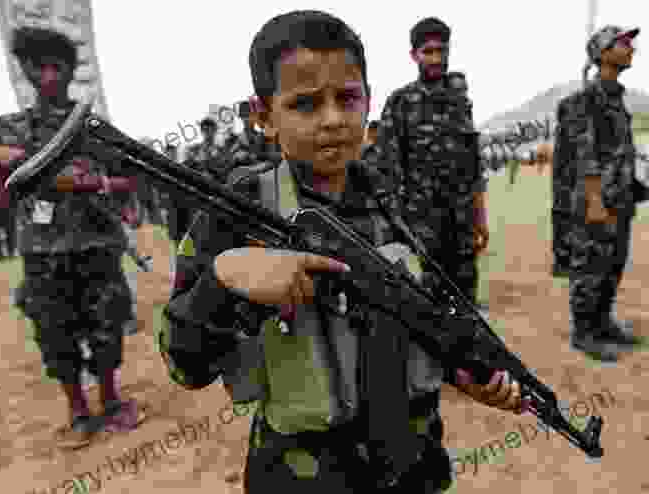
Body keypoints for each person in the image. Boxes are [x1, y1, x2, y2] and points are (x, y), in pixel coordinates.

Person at [157, 10, 528, 493]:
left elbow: (433, 313)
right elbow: (185, 367)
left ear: (368, 101)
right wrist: (224, 280)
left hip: (413, 462)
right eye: (306, 104)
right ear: (264, 115)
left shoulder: (397, 198)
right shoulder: (240, 209)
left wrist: (465, 373)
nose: (332, 119)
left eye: (347, 98)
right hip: (303, 475)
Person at [0, 26, 146, 448]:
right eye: (36, 65)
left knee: (107, 323)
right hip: (43, 252)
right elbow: (1, 193)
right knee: (54, 331)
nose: (47, 75)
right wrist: (27, 170)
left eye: (55, 65)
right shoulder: (11, 129)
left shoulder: (91, 126)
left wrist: (94, 184)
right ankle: (78, 409)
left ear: (66, 69)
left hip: (97, 243)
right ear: (24, 69)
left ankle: (112, 399)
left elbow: (125, 179)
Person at [367, 17, 488, 310]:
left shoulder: (460, 101)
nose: (436, 58)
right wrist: (395, 226)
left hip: (461, 220)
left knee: (466, 295)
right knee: (429, 300)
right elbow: (386, 170)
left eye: (441, 51)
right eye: (428, 51)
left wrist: (480, 215)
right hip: (421, 224)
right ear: (414, 56)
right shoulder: (401, 102)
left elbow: (473, 165)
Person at [566, 25, 643, 361]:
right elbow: (586, 154)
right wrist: (595, 200)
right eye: (622, 42)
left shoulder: (616, 98)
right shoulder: (589, 98)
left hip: (620, 199)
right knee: (592, 266)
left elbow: (618, 152)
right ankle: (584, 332)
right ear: (602, 52)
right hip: (597, 202)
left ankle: (602, 321)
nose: (631, 46)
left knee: (613, 264)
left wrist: (636, 188)